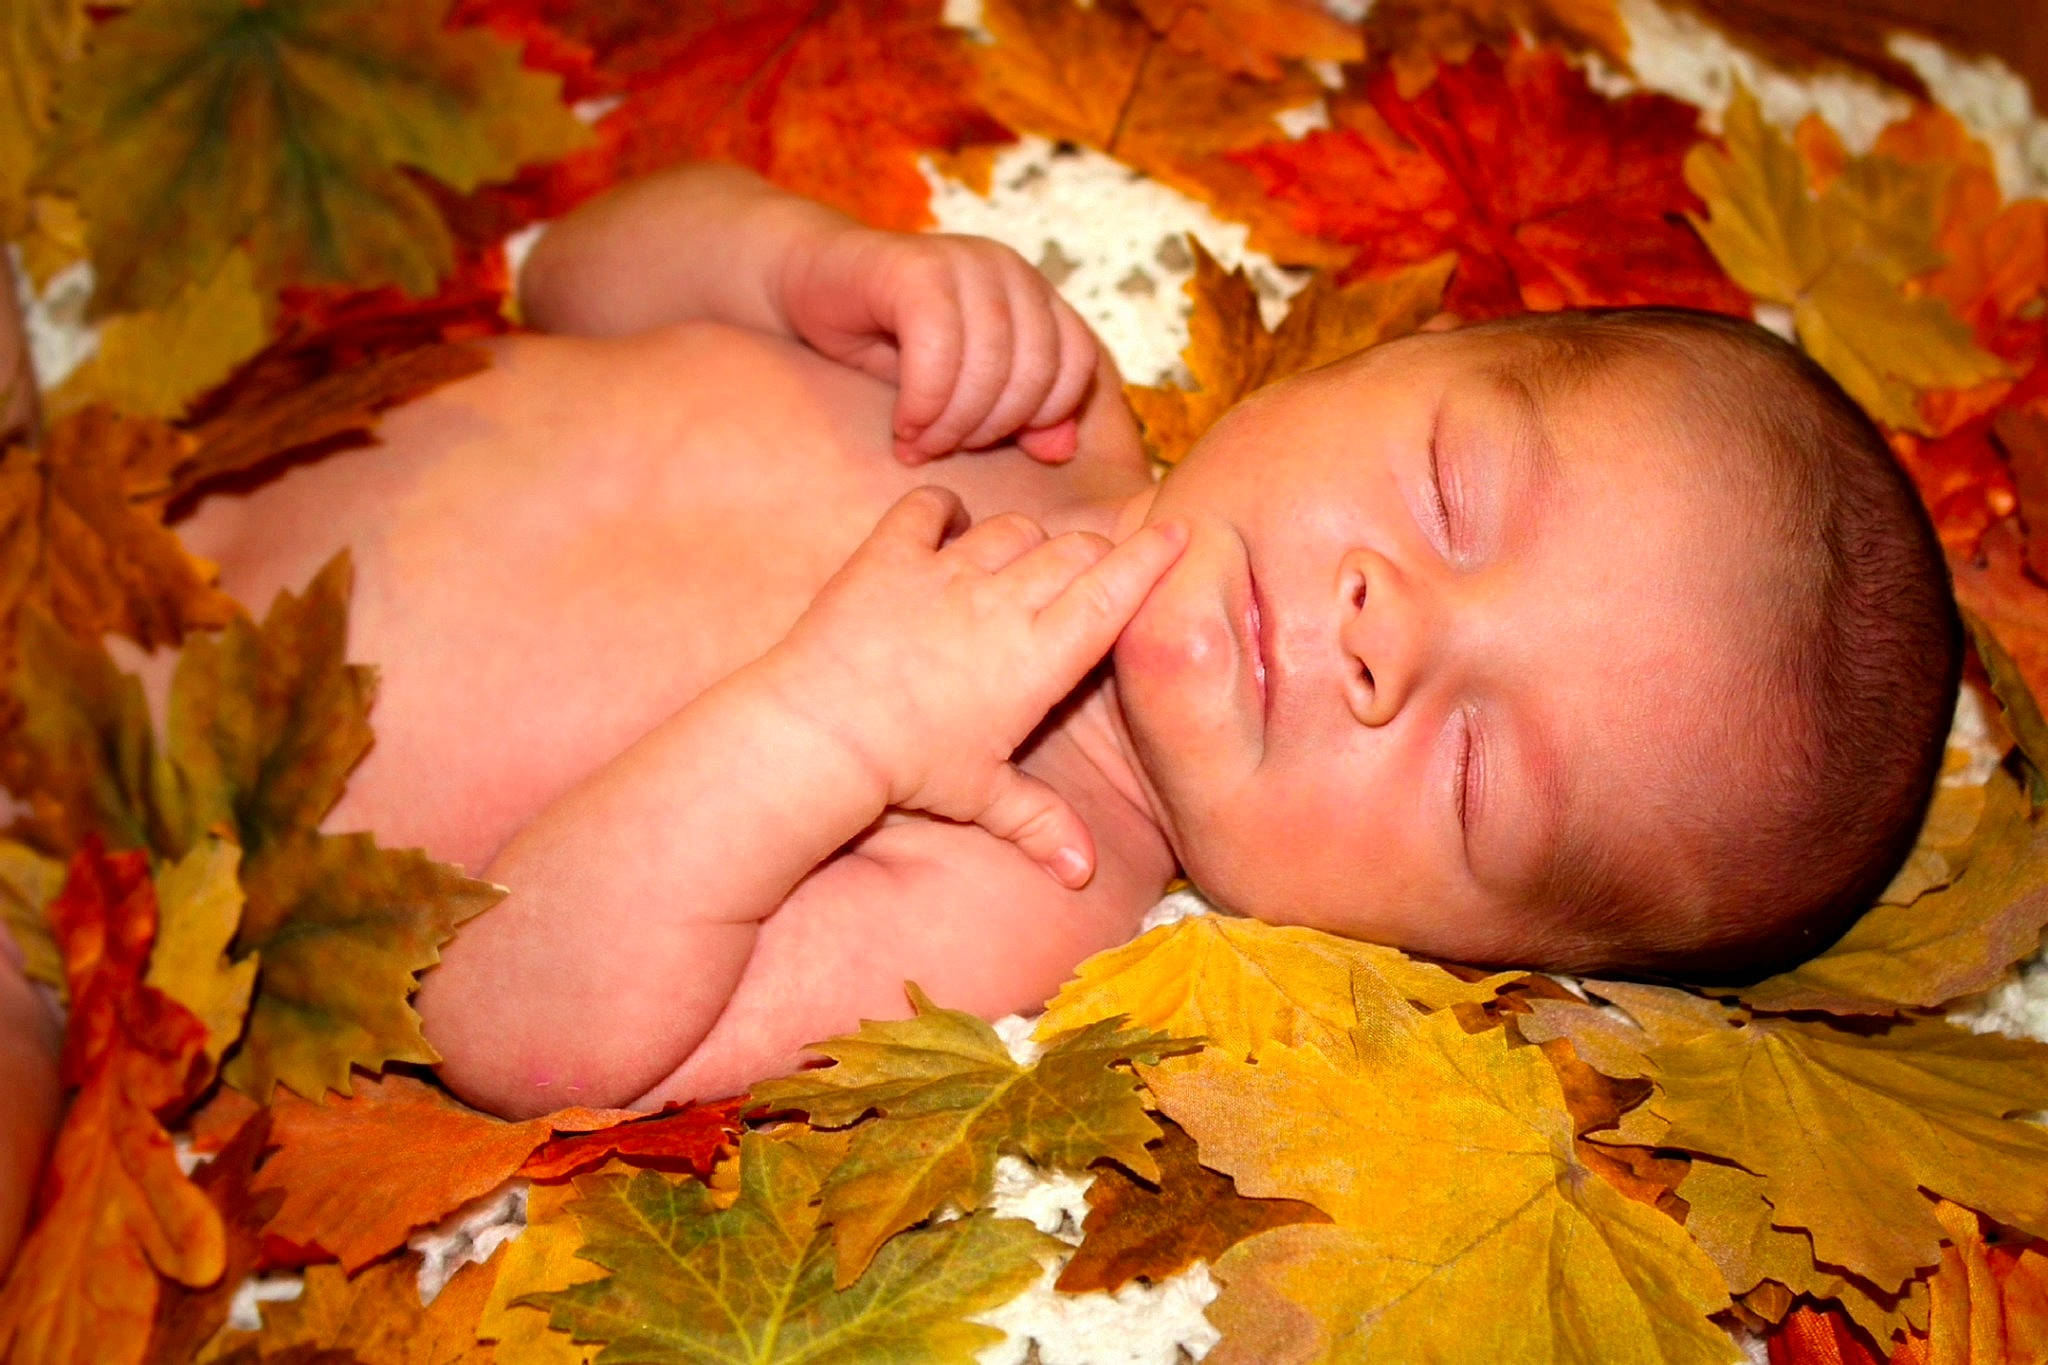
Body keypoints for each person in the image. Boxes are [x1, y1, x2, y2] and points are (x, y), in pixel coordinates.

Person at [0, 161, 1960, 1270]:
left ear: (1442, 948)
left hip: (69, 858)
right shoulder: (1029, 391)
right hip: (93, 474)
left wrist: (831, 726)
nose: (1389, 628)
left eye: (1467, 758)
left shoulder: (1024, 880)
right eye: (1451, 495)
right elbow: (571, 278)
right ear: (1392, 353)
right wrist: (807, 264)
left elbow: (508, 1020)